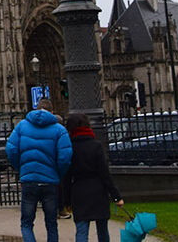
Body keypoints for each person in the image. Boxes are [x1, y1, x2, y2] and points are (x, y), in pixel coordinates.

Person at [7, 98, 72, 242]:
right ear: (52, 112)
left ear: (36, 109)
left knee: (26, 223)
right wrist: (58, 173)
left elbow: (11, 149)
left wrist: (21, 168)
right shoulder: (59, 130)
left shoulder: (22, 126)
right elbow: (65, 157)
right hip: (50, 181)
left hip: (29, 180)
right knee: (51, 223)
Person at [65, 113, 123, 242]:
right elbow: (105, 174)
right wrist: (116, 196)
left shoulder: (70, 148)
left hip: (79, 190)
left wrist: (67, 200)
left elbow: (67, 177)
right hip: (98, 190)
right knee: (102, 229)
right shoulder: (96, 146)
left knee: (81, 230)